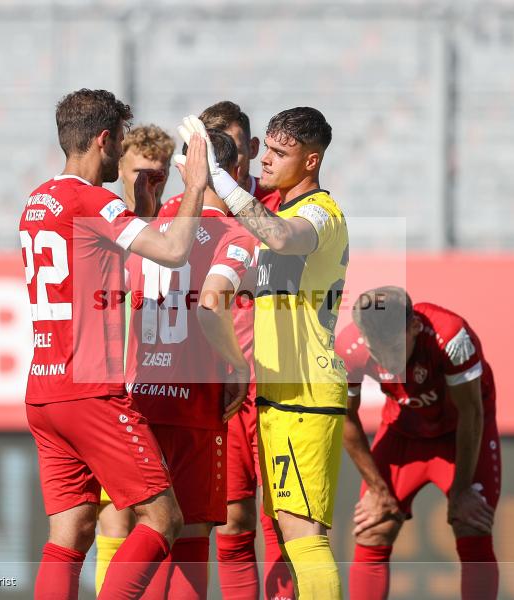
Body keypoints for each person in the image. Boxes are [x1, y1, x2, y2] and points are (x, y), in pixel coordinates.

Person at [19, 88, 210, 600]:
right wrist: (195, 186)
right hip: (91, 391)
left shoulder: (37, 202)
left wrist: (140, 211)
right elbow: (171, 250)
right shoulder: (92, 199)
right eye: (120, 140)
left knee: (72, 531)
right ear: (104, 140)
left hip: (43, 392)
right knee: (163, 518)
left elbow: (101, 261)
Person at [184, 107, 348, 599]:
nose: (267, 161)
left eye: (281, 153)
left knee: (305, 542)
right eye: (267, 149)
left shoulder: (321, 212)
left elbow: (279, 236)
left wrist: (221, 181)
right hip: (277, 394)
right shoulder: (275, 213)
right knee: (283, 534)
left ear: (312, 161)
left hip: (306, 395)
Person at [162, 100, 290, 600]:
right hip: (221, 389)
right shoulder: (181, 215)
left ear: (249, 150)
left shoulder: (279, 210)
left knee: (284, 521)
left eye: (232, 149)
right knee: (231, 522)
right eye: (213, 149)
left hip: (278, 381)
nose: (225, 160)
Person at [123, 128, 256, 599]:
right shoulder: (236, 233)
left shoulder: (147, 226)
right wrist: (237, 365)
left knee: (150, 526)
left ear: (184, 169)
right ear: (236, 171)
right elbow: (209, 304)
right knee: (193, 532)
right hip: (195, 405)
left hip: (142, 398)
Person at [338, 286, 500, 600]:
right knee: (375, 525)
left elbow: (471, 413)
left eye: (394, 348)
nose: (386, 360)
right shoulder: (348, 348)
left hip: (459, 435)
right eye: (377, 351)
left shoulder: (451, 337)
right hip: (405, 432)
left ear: (413, 326)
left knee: (472, 523)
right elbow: (344, 418)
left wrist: (463, 488)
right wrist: (379, 489)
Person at [93, 123, 176, 596]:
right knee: (113, 518)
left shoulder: (171, 230)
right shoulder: (106, 224)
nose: (149, 185)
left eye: (159, 177)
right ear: (118, 168)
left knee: (164, 521)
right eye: (141, 174)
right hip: (113, 394)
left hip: (163, 390)